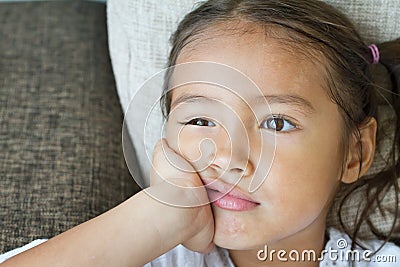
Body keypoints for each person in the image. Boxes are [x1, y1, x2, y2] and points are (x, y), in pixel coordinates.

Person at [1, 0, 400, 266]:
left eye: (276, 123)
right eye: (201, 121)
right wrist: (157, 217)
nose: (227, 156)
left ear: (354, 152)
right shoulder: (142, 249)